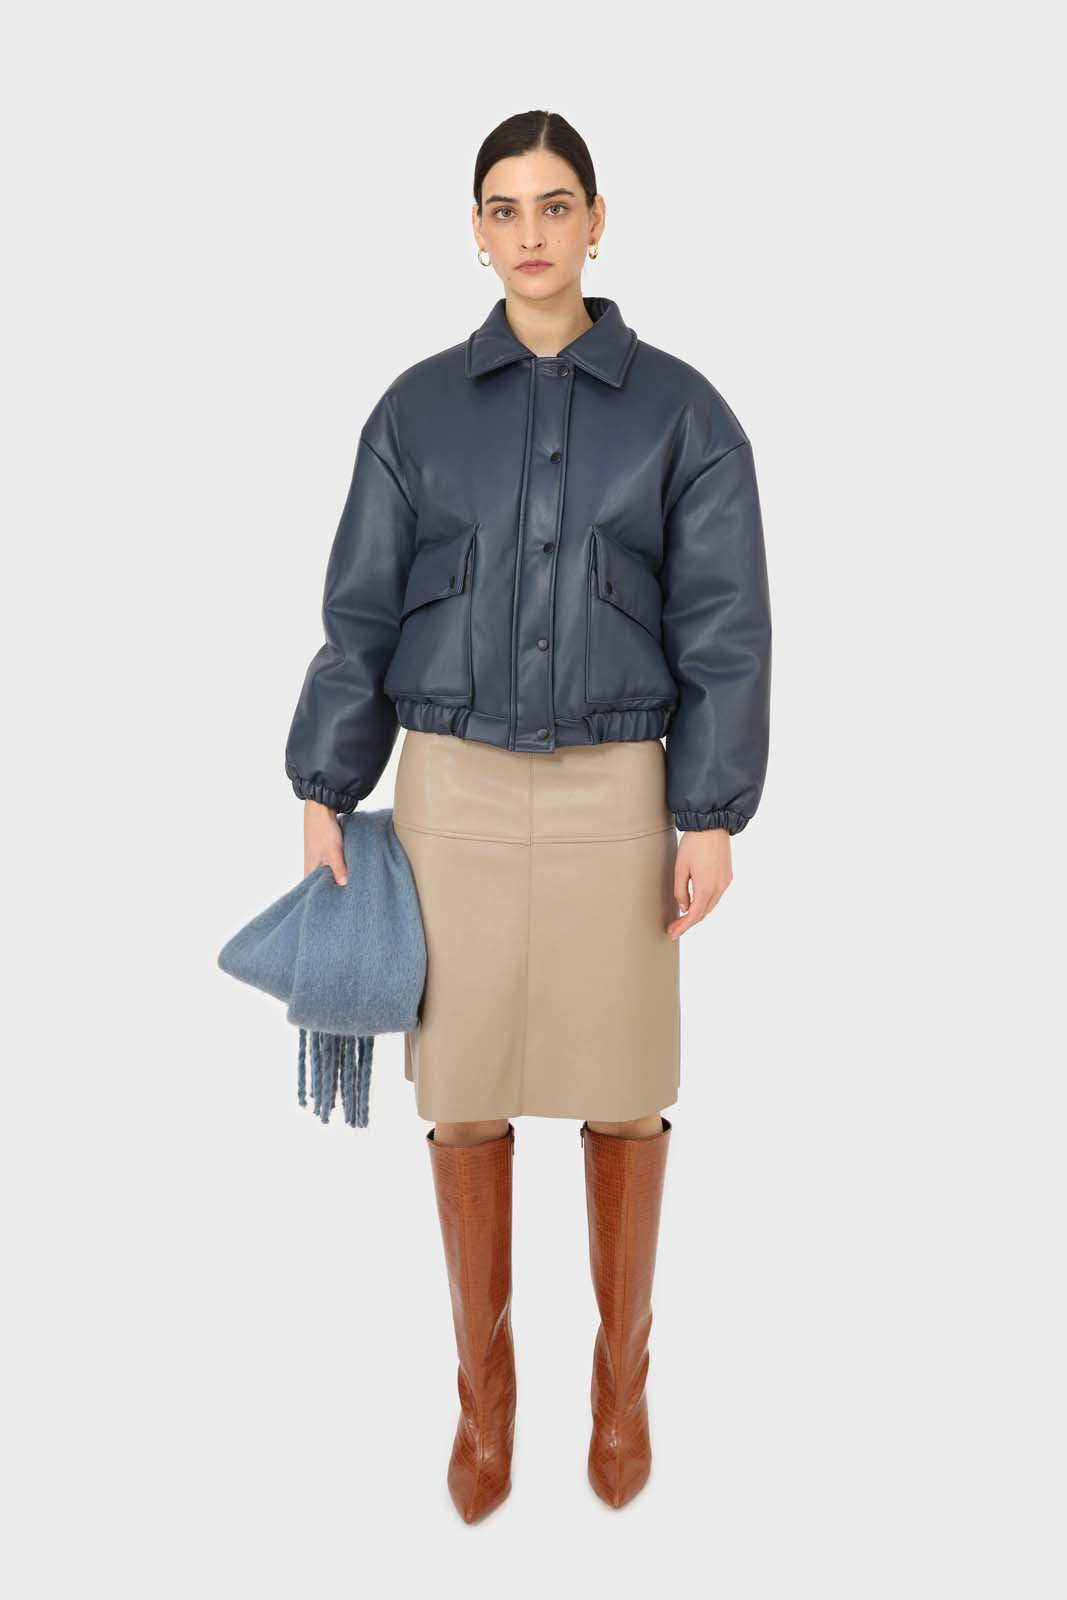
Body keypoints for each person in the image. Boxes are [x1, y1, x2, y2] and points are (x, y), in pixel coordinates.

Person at [284, 109, 772, 1522]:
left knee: (625, 1083)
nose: (533, 233)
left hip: (622, 790)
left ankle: (622, 1383)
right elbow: (361, 613)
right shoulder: (414, 413)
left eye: (557, 205)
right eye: (506, 209)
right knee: (463, 1094)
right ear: (477, 233)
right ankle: (483, 1396)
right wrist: (325, 784)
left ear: (598, 221)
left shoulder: (685, 414)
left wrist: (709, 811)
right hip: (452, 794)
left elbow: (726, 626)